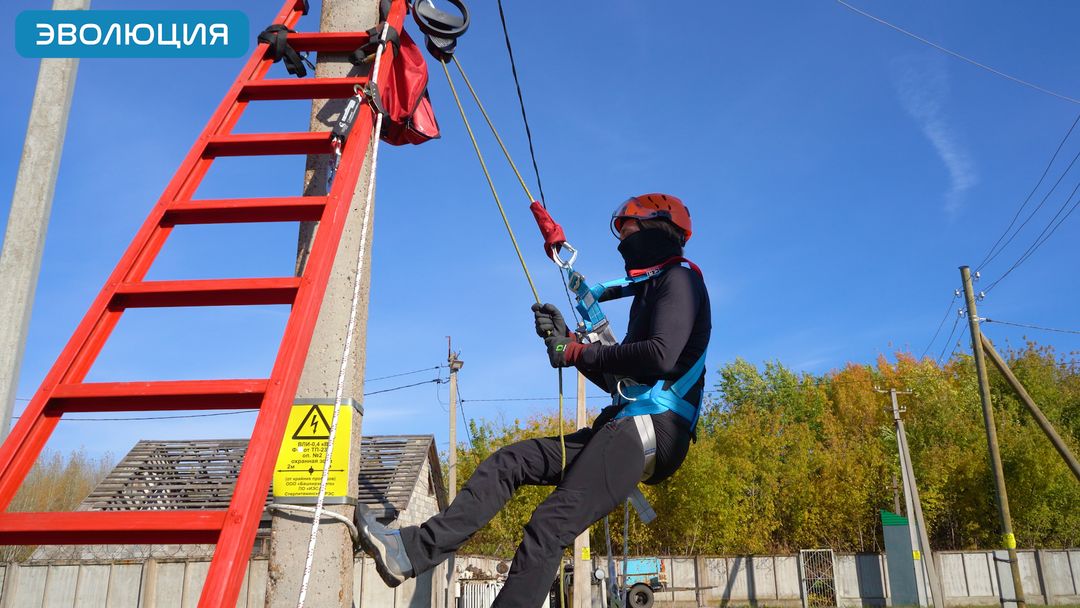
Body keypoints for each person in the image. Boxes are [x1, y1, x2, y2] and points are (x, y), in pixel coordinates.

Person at [356, 193, 711, 608]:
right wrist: (565, 342)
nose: (622, 240)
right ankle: (410, 551)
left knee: (549, 525)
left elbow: (661, 354)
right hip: (630, 421)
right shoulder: (650, 291)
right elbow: (624, 380)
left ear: (655, 226)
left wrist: (576, 352)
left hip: (653, 429)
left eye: (628, 229)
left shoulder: (680, 280)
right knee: (510, 464)